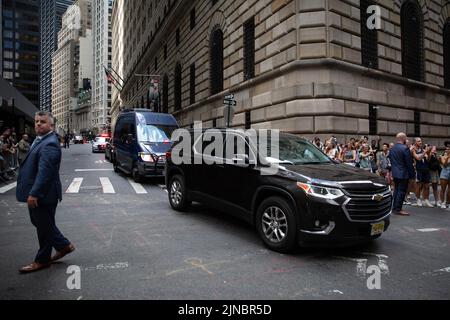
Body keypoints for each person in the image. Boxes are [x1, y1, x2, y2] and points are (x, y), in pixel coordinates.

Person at [16, 111, 75, 274]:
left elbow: (45, 172)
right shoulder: (40, 140)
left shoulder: (49, 143)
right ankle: (63, 246)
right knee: (42, 224)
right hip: (43, 193)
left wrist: (34, 193)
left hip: (44, 194)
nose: (38, 124)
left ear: (51, 125)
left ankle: (43, 259)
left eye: (42, 121)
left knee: (43, 225)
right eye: (36, 121)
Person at [388, 133, 415, 216]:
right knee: (402, 191)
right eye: (406, 137)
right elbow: (409, 163)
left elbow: (392, 160)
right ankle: (398, 209)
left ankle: (395, 208)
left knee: (396, 190)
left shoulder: (392, 149)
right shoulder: (405, 148)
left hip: (395, 172)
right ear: (403, 138)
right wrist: (412, 174)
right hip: (403, 173)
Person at [412, 138, 433, 207]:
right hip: (419, 170)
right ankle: (418, 199)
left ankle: (426, 200)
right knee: (419, 185)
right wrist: (425, 152)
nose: (420, 142)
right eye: (418, 141)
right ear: (415, 142)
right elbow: (418, 158)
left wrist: (429, 153)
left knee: (427, 186)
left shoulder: (423, 149)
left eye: (421, 141)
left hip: (426, 169)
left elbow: (428, 160)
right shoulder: (413, 150)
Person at [439, 144, 450, 209]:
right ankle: (442, 202)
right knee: (443, 189)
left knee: (449, 189)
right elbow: (444, 165)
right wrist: (448, 157)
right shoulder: (442, 156)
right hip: (444, 174)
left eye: (448, 149)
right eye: (446, 149)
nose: (447, 150)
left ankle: (448, 202)